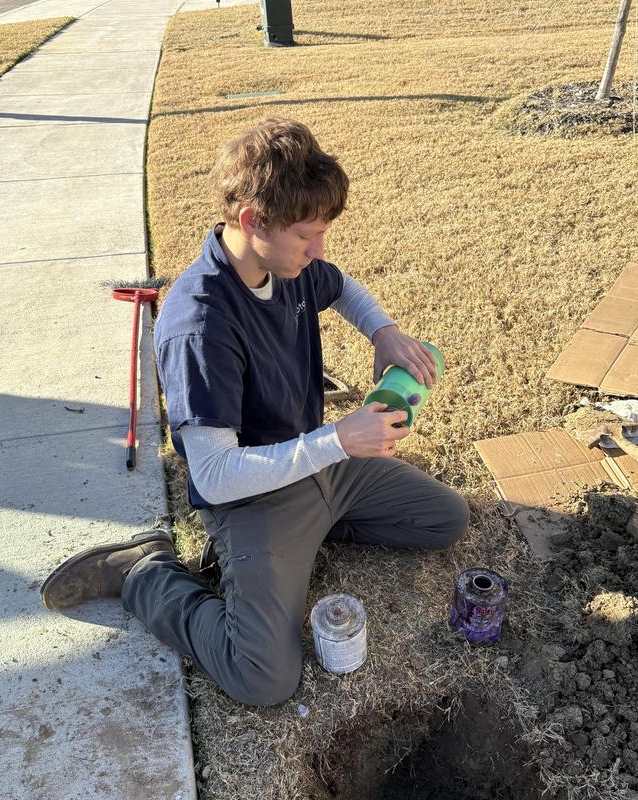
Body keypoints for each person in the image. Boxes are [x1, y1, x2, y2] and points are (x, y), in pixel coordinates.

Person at [41, 117, 469, 706]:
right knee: (262, 678)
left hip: (318, 465)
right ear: (250, 221)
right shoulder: (199, 325)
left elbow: (340, 286)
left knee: (444, 520)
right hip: (251, 494)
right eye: (307, 236)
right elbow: (215, 476)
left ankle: (302, 539)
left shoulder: (282, 263)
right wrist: (341, 441)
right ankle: (143, 574)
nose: (318, 252)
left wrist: (384, 334)